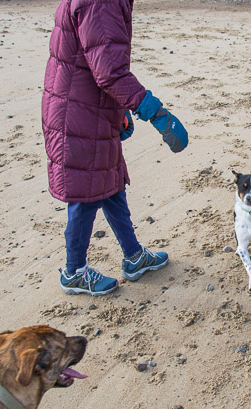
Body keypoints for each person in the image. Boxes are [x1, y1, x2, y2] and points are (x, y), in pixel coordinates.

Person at [42, 0, 188, 296]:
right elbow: (109, 71)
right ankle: (74, 272)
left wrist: (118, 108)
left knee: (111, 182)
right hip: (79, 111)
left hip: (89, 105)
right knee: (86, 192)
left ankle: (134, 257)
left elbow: (96, 59)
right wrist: (154, 112)